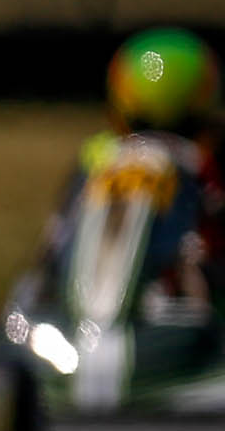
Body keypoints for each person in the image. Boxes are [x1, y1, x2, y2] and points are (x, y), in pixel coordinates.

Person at [12, 26, 225, 312]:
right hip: (184, 318)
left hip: (77, 311)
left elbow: (55, 243)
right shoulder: (205, 165)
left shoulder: (97, 158)